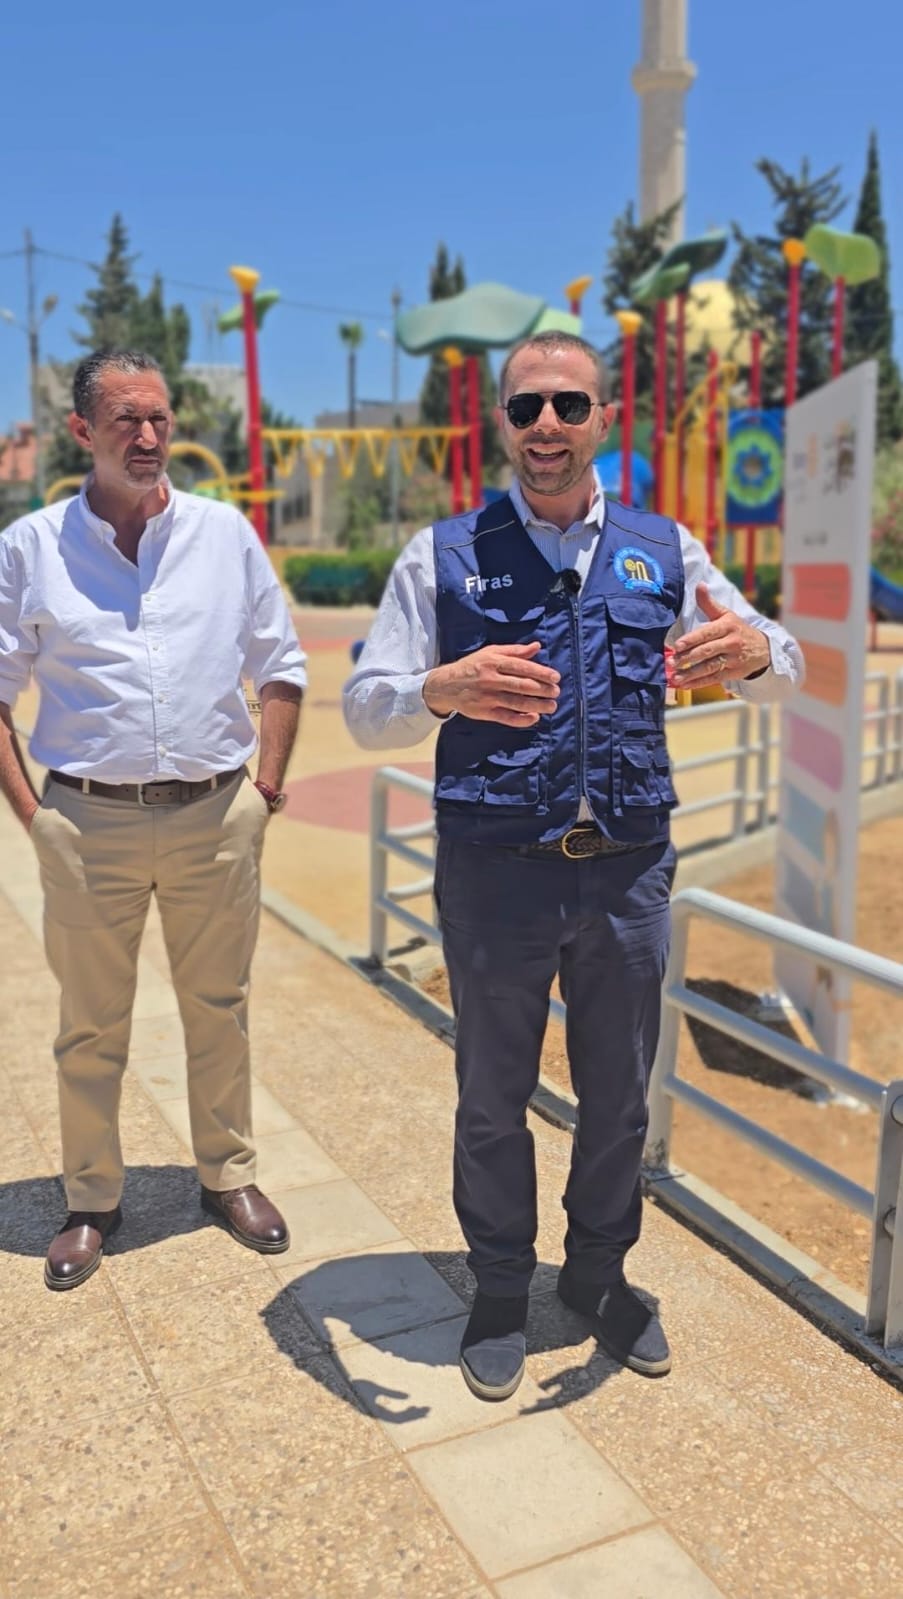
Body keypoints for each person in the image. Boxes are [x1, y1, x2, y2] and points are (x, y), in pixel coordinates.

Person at [343, 331, 804, 1401]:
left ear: (604, 418)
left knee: (619, 1098)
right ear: (501, 422)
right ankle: (501, 1286)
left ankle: (598, 1276)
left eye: (567, 404)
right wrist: (440, 689)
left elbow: (778, 661)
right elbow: (365, 708)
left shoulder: (663, 547)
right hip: (496, 871)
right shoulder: (441, 553)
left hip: (628, 871)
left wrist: (755, 654)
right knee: (491, 1095)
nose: (545, 425)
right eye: (525, 407)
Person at [0, 349, 307, 1291]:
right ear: (82, 431)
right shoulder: (31, 547)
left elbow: (281, 664)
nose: (147, 435)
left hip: (218, 814)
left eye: (159, 419)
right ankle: (92, 1199)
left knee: (220, 1007)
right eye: (125, 419)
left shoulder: (224, 535)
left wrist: (264, 792)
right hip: (86, 822)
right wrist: (36, 817)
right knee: (91, 1024)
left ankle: (228, 1175)